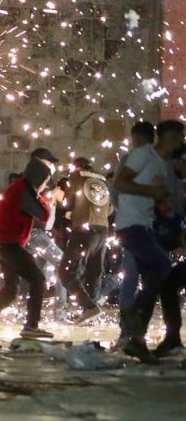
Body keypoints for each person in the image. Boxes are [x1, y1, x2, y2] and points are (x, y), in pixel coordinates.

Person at [113, 119, 183, 363]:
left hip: (145, 226)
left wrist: (162, 205)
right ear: (171, 138)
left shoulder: (162, 166)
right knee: (164, 269)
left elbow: (153, 198)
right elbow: (121, 183)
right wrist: (152, 193)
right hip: (130, 226)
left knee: (153, 280)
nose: (183, 143)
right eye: (181, 138)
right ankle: (132, 327)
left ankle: (136, 341)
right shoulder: (143, 154)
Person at [0, 151, 64, 341]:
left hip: (5, 244)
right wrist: (53, 200)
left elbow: (37, 207)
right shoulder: (23, 190)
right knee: (38, 280)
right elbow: (44, 216)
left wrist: (46, 199)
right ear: (38, 177)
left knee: (10, 290)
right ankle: (31, 326)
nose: (45, 185)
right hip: (9, 245)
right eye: (45, 180)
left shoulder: (23, 189)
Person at [59, 157, 111, 324]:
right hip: (103, 230)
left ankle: (89, 306)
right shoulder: (102, 179)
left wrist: (59, 199)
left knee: (66, 273)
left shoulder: (75, 177)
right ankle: (90, 312)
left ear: (76, 166)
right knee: (95, 272)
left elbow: (67, 204)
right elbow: (110, 208)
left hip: (83, 229)